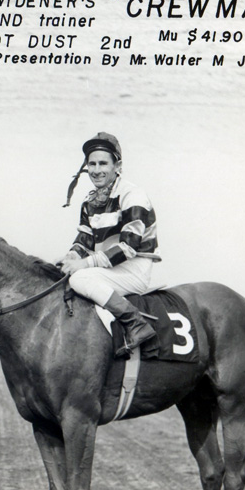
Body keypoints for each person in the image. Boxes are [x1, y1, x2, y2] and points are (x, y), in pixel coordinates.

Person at [59, 133, 159, 359]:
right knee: (63, 274)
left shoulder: (133, 195)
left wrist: (83, 265)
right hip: (109, 267)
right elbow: (84, 240)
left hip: (133, 267)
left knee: (79, 279)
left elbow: (128, 247)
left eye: (103, 163)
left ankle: (135, 323)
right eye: (91, 164)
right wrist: (71, 257)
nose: (96, 170)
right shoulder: (89, 201)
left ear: (118, 166)